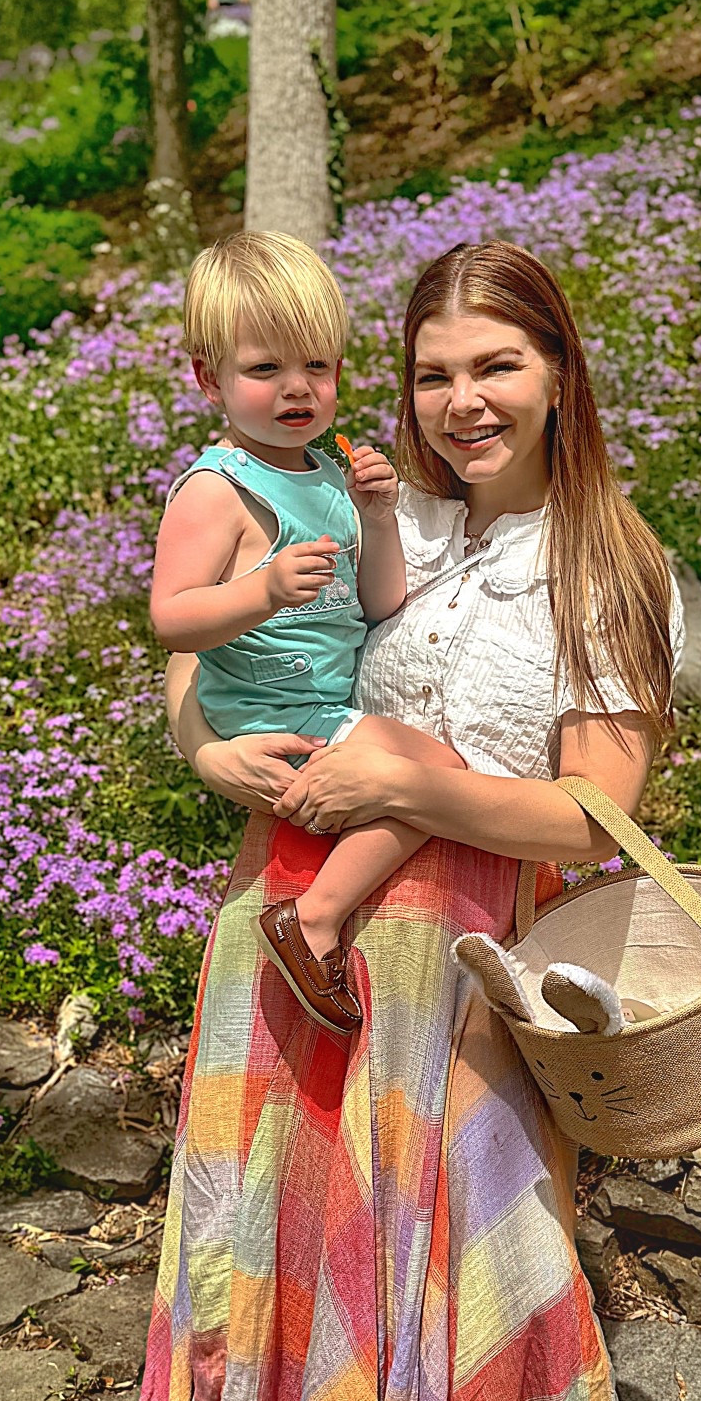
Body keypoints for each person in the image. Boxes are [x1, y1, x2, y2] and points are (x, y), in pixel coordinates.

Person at [140, 240, 701, 1401]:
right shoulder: (384, 515)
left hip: (471, 952)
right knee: (323, 1207)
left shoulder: (610, 564)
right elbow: (214, 663)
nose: (462, 402)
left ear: (559, 373)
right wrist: (205, 754)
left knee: (503, 1240)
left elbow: (597, 822)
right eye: (435, 373)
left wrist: (415, 779)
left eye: (496, 367)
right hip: (300, 917)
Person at [150, 231, 472, 1039]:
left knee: (438, 774)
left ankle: (318, 916)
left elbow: (380, 600)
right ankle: (315, 921)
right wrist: (258, 591)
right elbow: (170, 618)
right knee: (439, 775)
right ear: (207, 377)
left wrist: (376, 517)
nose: (298, 389)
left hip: (319, 701)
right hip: (270, 713)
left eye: (317, 367)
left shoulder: (328, 471)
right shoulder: (215, 490)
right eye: (266, 370)